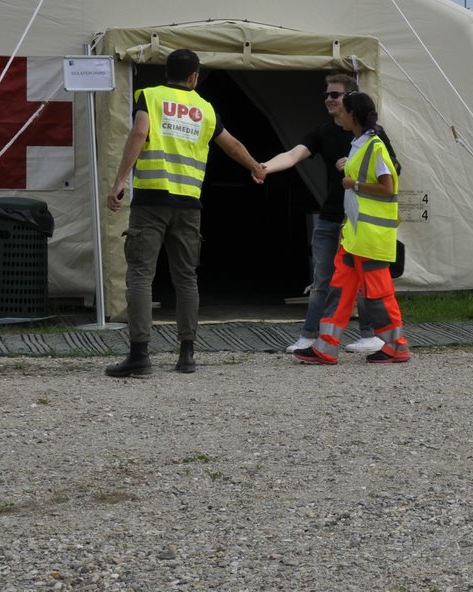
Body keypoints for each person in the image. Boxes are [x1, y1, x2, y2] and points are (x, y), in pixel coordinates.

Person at [104, 48, 265, 378]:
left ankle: (139, 355)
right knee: (186, 278)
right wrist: (255, 166)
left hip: (151, 201)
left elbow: (139, 132)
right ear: (194, 76)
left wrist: (120, 180)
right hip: (189, 205)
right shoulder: (204, 108)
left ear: (168, 72)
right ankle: (187, 354)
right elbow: (231, 143)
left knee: (140, 275)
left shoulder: (149, 96)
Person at [260, 72, 380, 355]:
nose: (328, 99)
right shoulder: (322, 132)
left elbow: (390, 172)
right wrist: (263, 167)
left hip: (360, 218)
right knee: (321, 277)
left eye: (335, 95)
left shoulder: (373, 137)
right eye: (326, 94)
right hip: (331, 216)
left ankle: (370, 334)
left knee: (364, 278)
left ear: (350, 100)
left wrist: (354, 167)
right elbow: (292, 156)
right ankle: (310, 335)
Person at [294, 92, 410, 364]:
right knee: (339, 289)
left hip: (371, 238)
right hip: (356, 235)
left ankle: (397, 345)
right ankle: (326, 345)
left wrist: (354, 184)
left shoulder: (374, 145)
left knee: (377, 295)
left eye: (342, 111)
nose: (338, 115)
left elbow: (387, 188)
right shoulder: (359, 143)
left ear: (354, 116)